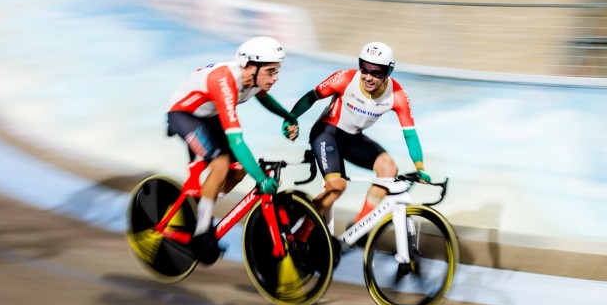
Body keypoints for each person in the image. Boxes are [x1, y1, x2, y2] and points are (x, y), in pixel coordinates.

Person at [166, 36, 298, 263]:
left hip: (207, 116)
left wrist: (288, 116)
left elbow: (264, 98)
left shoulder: (253, 79)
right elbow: (237, 141)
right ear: (250, 67)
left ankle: (203, 207)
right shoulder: (225, 82)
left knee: (238, 169)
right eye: (270, 71)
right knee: (220, 165)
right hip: (183, 114)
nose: (275, 77)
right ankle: (201, 234)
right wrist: (261, 178)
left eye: (277, 71)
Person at [285, 41, 430, 230]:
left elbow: (410, 134)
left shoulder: (397, 94)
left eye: (376, 73)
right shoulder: (345, 78)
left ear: (388, 72)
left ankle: (358, 228)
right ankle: (300, 236)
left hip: (352, 138)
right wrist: (290, 119)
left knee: (389, 169)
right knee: (337, 186)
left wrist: (420, 167)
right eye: (364, 69)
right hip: (326, 133)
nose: (368, 77)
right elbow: (311, 96)